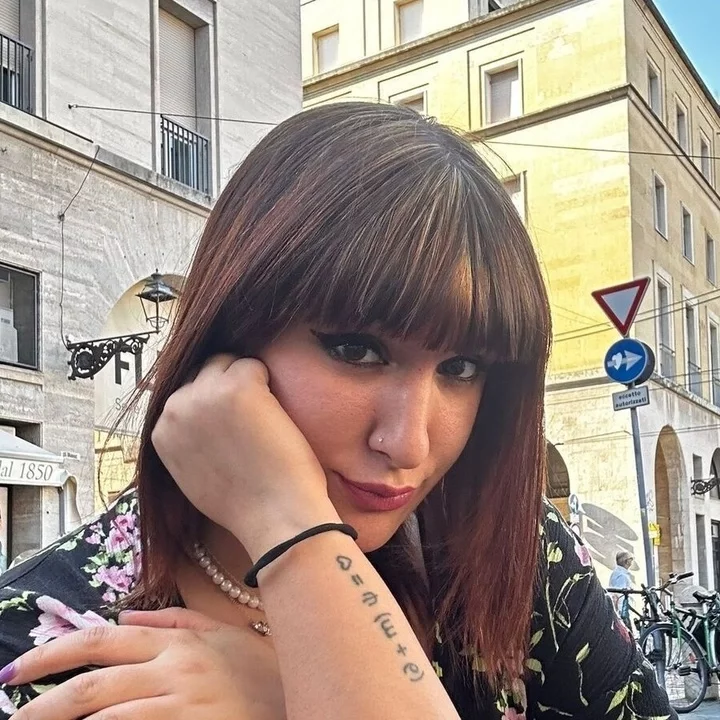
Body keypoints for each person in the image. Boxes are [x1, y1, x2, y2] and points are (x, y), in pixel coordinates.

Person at [0, 102, 674, 719]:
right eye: (357, 350)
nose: (408, 444)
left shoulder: (512, 548)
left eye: (462, 368)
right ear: (232, 333)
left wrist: (295, 688)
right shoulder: (46, 636)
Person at [608, 550, 635, 622]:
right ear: (626, 561)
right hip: (623, 612)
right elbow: (619, 596)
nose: (632, 561)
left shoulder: (618, 573)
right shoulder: (621, 576)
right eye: (631, 558)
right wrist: (622, 615)